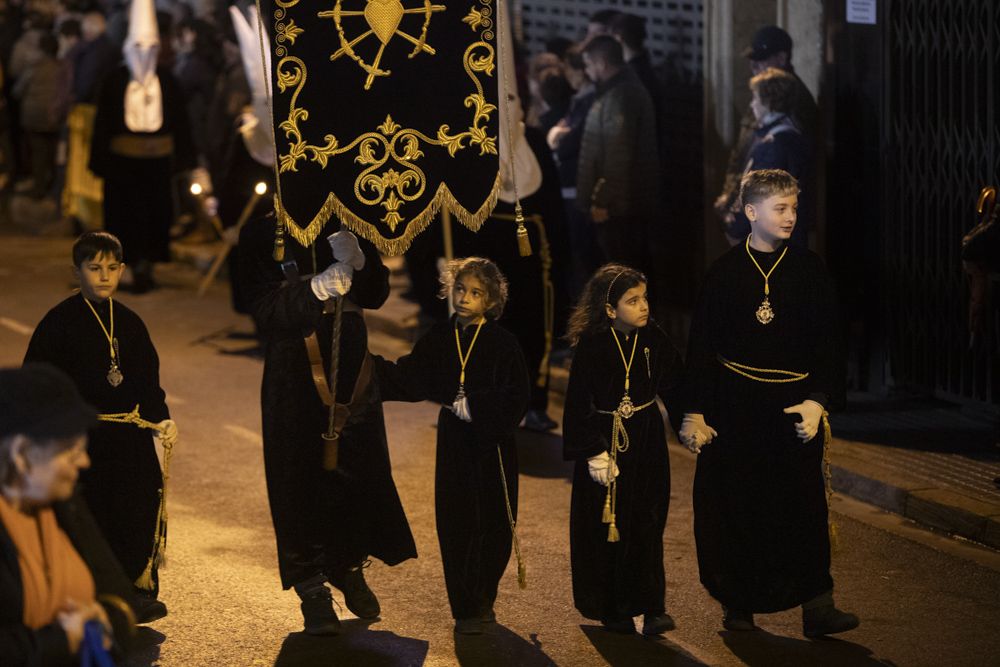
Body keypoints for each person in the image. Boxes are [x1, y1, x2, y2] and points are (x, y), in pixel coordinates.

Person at [680, 169, 858, 638]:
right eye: (781, 208)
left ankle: (818, 606)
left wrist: (819, 401)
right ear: (751, 211)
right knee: (736, 506)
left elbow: (829, 343)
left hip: (791, 407)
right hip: (735, 408)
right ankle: (738, 606)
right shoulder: (723, 274)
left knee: (802, 507)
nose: (791, 217)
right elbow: (701, 347)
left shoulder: (809, 270)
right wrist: (694, 412)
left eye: (795, 208)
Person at [238, 220, 417, 636]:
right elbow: (263, 309)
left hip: (351, 358)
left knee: (359, 468)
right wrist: (314, 288)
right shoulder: (263, 228)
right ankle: (311, 585)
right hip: (294, 366)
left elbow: (375, 294)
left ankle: (348, 563)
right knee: (298, 474)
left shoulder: (351, 218)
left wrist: (361, 260)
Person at [23, 232, 176, 624]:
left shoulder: (130, 322)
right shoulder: (57, 323)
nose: (104, 276)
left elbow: (147, 380)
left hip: (129, 436)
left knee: (139, 504)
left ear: (122, 270)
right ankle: (92, 593)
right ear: (77, 272)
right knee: (94, 513)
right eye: (94, 268)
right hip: (83, 440)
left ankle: (133, 589)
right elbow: (39, 384)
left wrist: (162, 419)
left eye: (112, 268)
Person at [374, 257, 530, 635]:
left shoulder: (503, 343)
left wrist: (477, 406)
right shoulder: (440, 338)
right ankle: (464, 606)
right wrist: (364, 369)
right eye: (460, 289)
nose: (465, 298)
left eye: (476, 293)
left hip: (491, 442)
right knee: (456, 519)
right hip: (454, 442)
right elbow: (409, 378)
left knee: (492, 520)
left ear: (491, 300)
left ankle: (484, 596)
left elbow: (518, 396)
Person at [562, 264, 683, 635]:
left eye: (644, 298)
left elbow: (675, 384)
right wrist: (593, 451)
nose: (644, 306)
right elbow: (578, 401)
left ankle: (652, 606)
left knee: (647, 522)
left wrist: (690, 422)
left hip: (646, 440)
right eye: (633, 300)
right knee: (607, 527)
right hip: (607, 442)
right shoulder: (593, 346)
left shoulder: (654, 339)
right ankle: (611, 607)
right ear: (611, 309)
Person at [1, 363, 139, 666]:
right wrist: (60, 641)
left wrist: (105, 618)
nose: (85, 462)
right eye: (71, 451)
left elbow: (118, 592)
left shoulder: (63, 503)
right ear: (20, 454)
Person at [89, 0, 196, 292]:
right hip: (122, 166)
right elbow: (102, 124)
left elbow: (182, 124)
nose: (144, 54)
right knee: (124, 216)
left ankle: (147, 263)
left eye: (150, 48)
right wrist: (100, 162)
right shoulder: (114, 81)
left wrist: (186, 161)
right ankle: (124, 264)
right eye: (138, 47)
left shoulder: (169, 82)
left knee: (156, 217)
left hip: (157, 165)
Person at [713, 25, 818, 242]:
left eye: (761, 59)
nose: (754, 66)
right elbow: (743, 150)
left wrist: (739, 220)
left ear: (782, 58)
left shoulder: (790, 109)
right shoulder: (763, 96)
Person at [576, 35, 660, 283]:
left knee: (624, 273)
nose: (588, 72)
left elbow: (617, 154)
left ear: (601, 63)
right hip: (622, 205)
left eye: (588, 65)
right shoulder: (616, 91)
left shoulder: (620, 96)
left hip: (621, 209)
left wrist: (603, 201)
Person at [723, 68, 814, 246]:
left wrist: (735, 229)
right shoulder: (791, 135)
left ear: (769, 101)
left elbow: (758, 195)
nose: (752, 105)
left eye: (756, 98)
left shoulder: (774, 145)